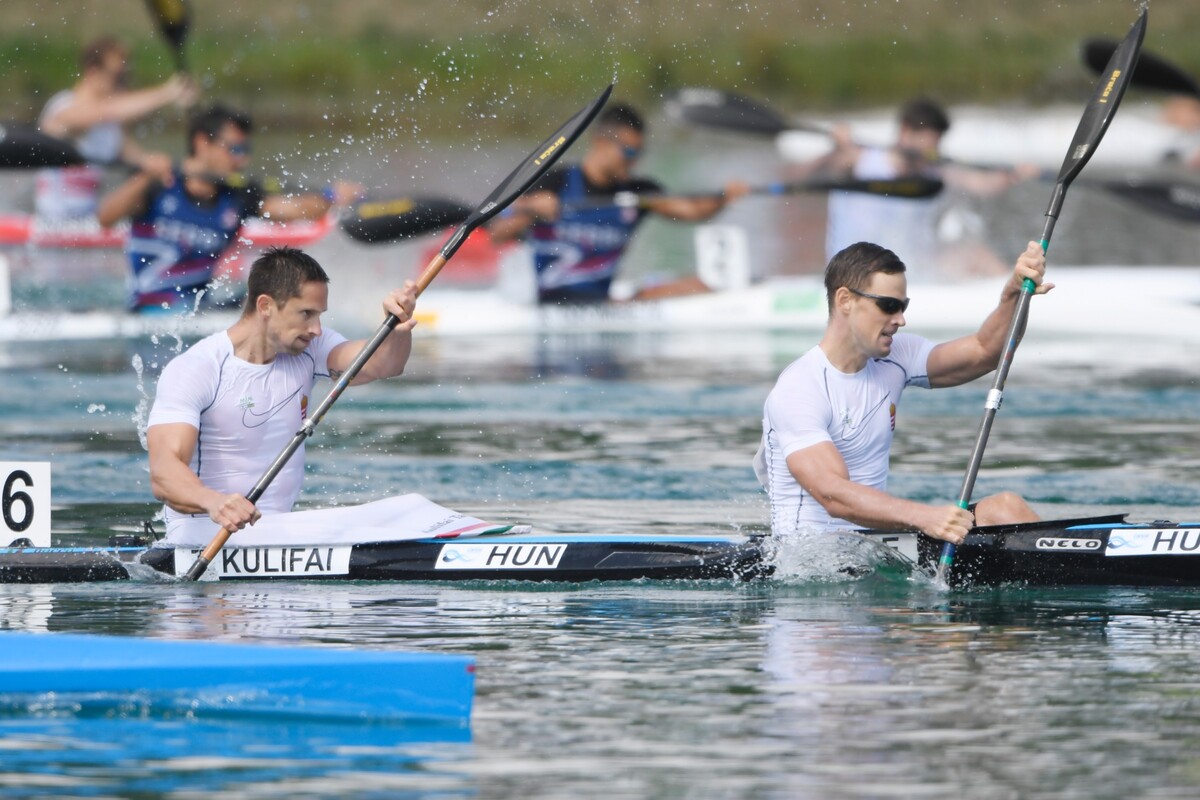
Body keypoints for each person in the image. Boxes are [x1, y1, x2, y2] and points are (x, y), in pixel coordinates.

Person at [755, 239, 1049, 545]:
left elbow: (985, 351)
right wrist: (925, 516)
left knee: (1006, 508)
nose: (900, 319)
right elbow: (833, 494)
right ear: (845, 300)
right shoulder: (800, 387)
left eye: (903, 306)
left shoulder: (896, 356)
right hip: (813, 556)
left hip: (876, 547)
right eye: (888, 306)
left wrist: (1013, 293)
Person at [145, 246, 417, 544]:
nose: (316, 329)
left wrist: (397, 327)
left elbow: (384, 365)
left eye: (319, 315)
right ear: (265, 306)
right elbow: (163, 473)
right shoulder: (198, 368)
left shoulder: (310, 348)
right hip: (207, 536)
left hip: (276, 533)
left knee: (405, 511)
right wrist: (215, 502)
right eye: (306, 314)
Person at [97, 103, 358, 313]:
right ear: (202, 143)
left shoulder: (238, 197)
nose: (241, 159)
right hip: (150, 309)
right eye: (234, 148)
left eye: (246, 149)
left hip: (200, 310)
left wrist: (332, 196)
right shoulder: (157, 185)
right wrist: (143, 177)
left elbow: (293, 209)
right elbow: (105, 218)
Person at [488, 102, 749, 304]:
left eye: (639, 152)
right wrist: (531, 209)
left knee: (697, 286)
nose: (634, 161)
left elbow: (689, 210)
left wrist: (723, 198)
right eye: (629, 151)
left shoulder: (637, 193)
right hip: (552, 305)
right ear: (601, 142)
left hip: (604, 305)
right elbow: (498, 234)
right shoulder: (556, 182)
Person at [802, 97, 1037, 280]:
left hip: (911, 271)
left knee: (977, 255)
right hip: (855, 272)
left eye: (934, 148)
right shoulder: (858, 160)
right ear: (906, 132)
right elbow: (804, 174)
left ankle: (1019, 297)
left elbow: (981, 184)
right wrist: (836, 147)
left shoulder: (933, 172)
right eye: (926, 145)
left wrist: (1014, 175)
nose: (929, 154)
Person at [35, 36, 197, 222]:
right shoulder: (62, 108)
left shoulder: (110, 129)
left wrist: (173, 167)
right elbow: (105, 111)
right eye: (117, 75)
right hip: (52, 221)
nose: (123, 83)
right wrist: (168, 93)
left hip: (90, 220)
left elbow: (143, 161)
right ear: (93, 72)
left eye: (126, 76)